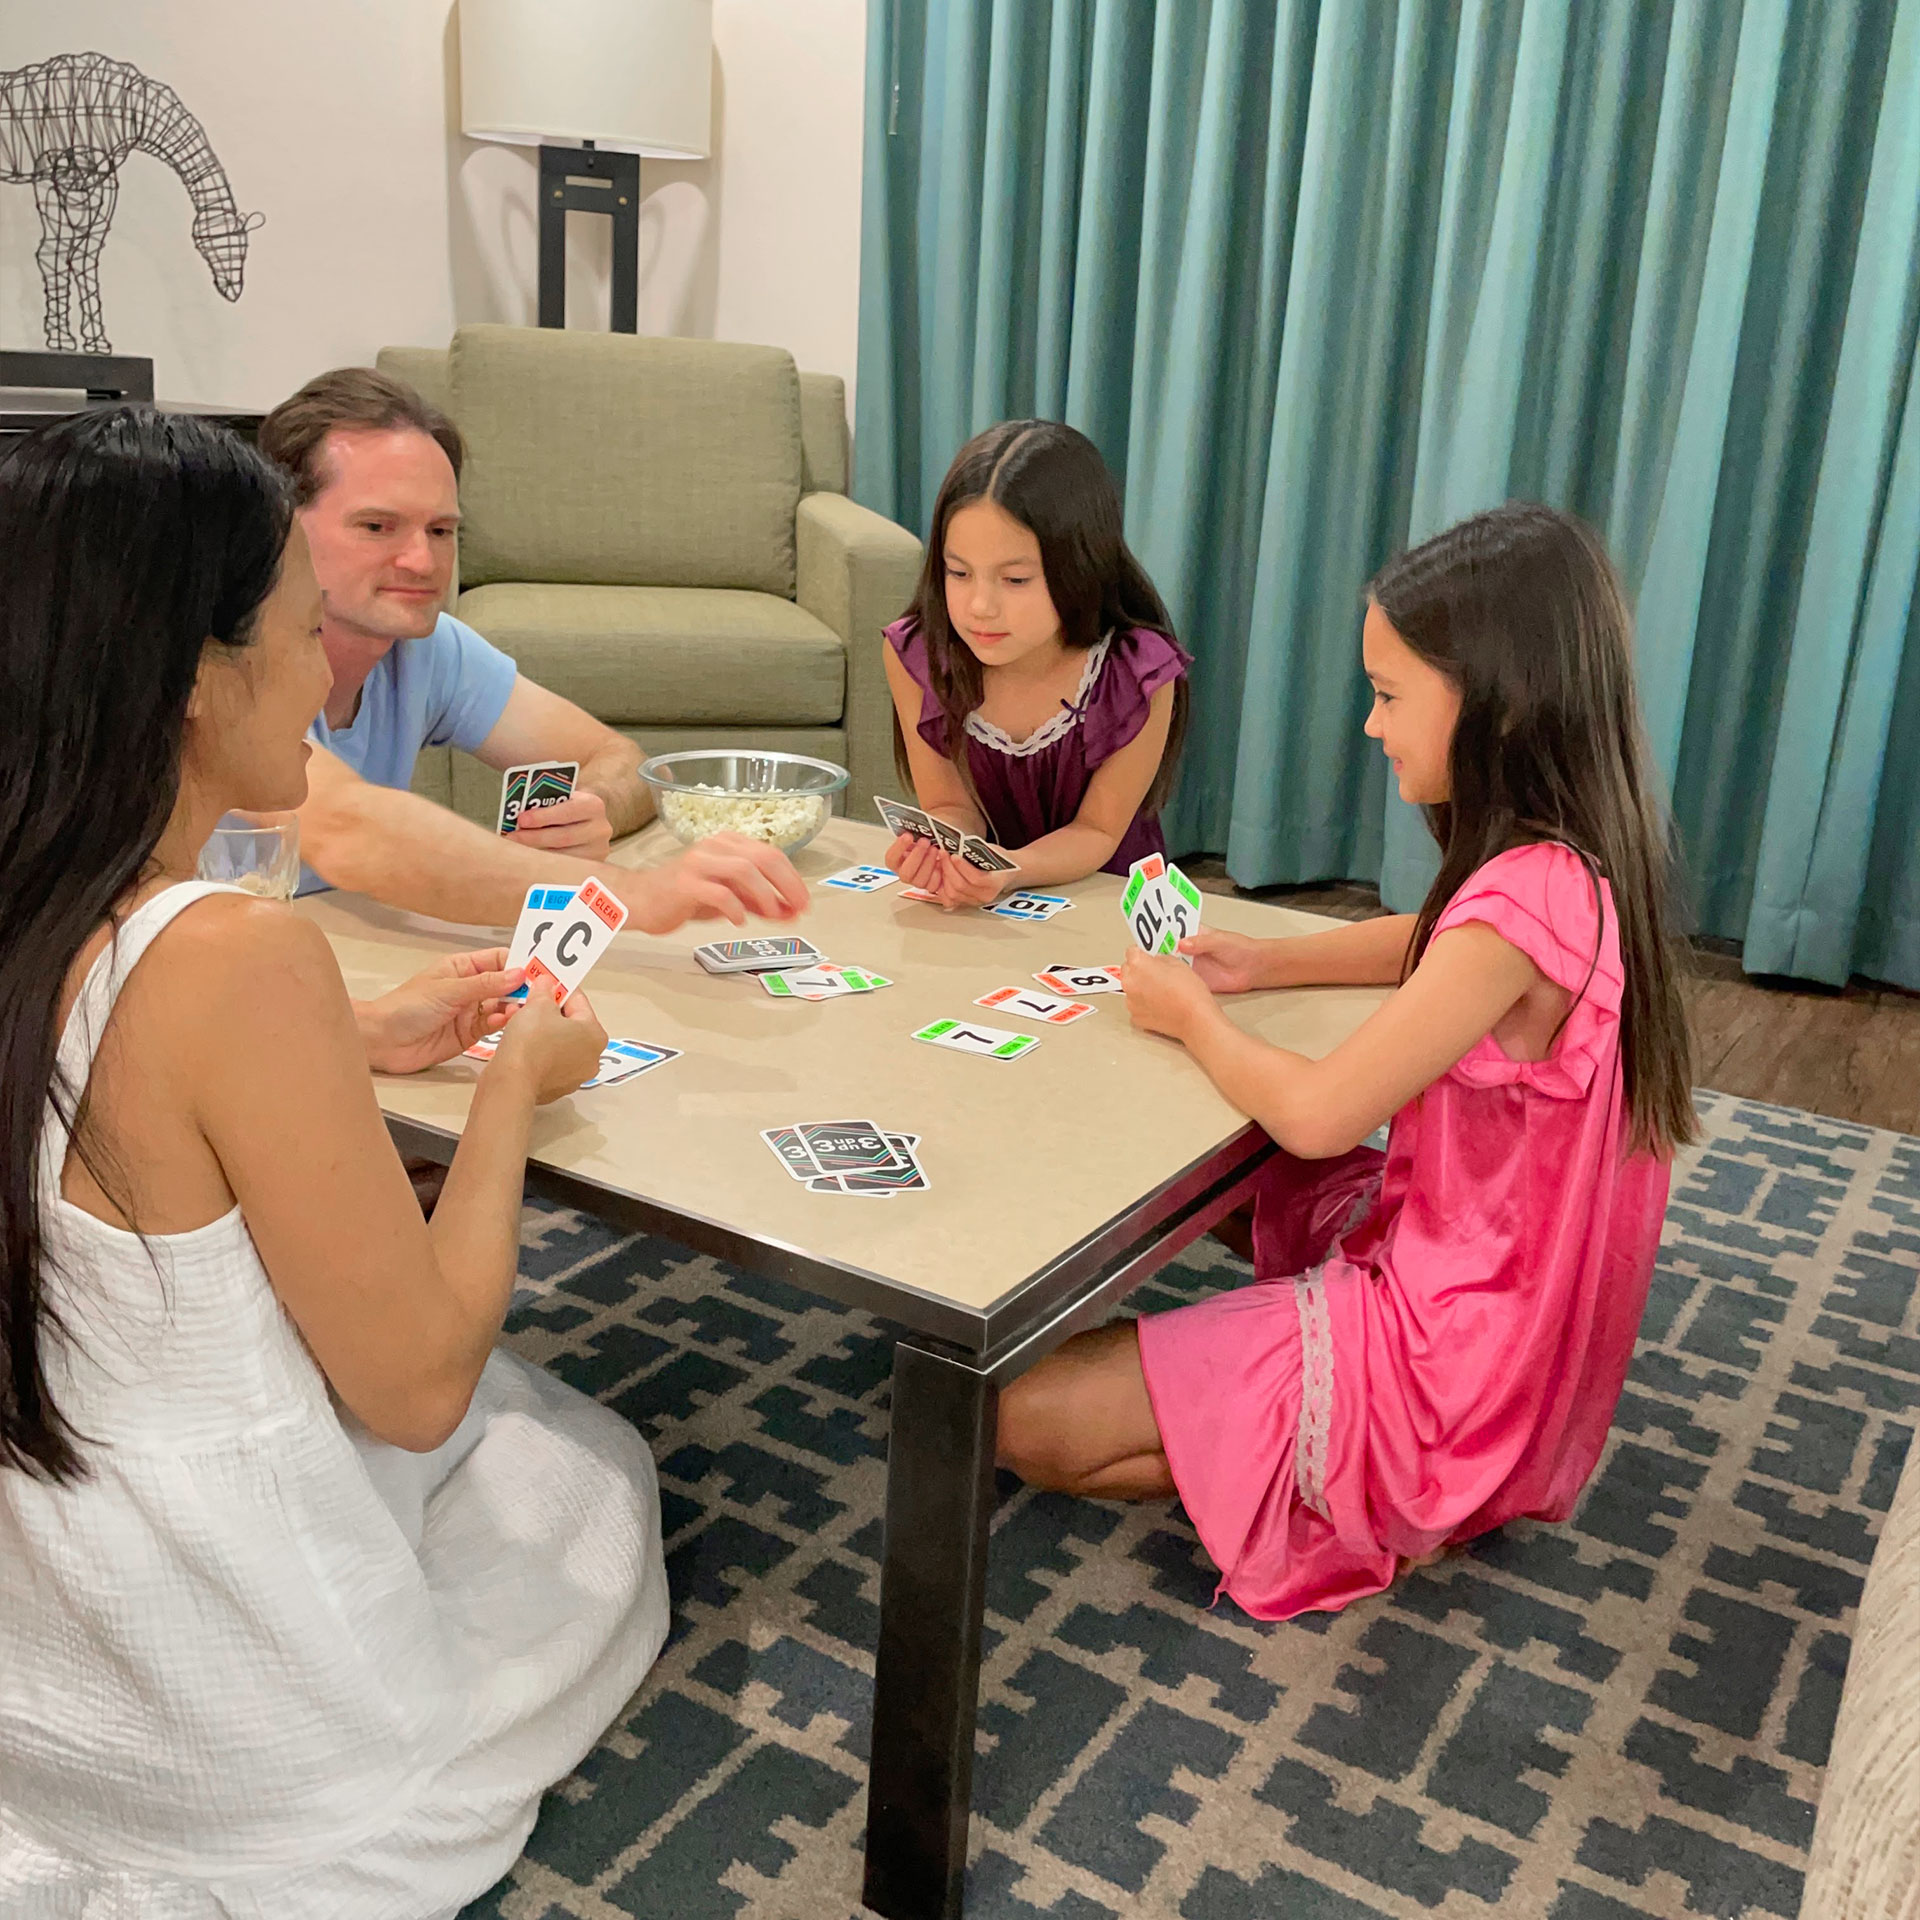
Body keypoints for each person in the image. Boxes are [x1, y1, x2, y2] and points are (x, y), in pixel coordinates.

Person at [0, 407, 670, 1914]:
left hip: (40, 1624)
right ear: (189, 679)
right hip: (231, 1698)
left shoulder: (49, 896)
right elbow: (417, 1384)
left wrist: (347, 1041)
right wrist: (519, 1085)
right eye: (304, 635)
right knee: (588, 1485)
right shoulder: (238, 950)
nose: (322, 685)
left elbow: (104, 1082)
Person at [996, 502, 1695, 1620]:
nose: (1372, 728)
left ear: (1499, 704)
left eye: (1387, 696)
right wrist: (1263, 964)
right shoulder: (1572, 864)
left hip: (1449, 1356)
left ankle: (1360, 1480)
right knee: (1227, 1178)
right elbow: (1438, 943)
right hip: (1487, 1276)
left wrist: (1192, 1012)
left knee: (1018, 1416)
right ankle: (1300, 1442)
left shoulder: (1520, 903)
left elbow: (1321, 1115)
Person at [258, 366, 806, 932]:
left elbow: (622, 760)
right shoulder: (217, 658)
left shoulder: (427, 649)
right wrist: (635, 896)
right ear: (279, 524)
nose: (423, 563)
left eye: (441, 531)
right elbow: (352, 833)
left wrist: (590, 809)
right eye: (377, 526)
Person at [880, 420, 1191, 907]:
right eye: (958, 572)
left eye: (1016, 579)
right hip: (988, 909)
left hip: (1103, 903)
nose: (980, 605)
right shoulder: (918, 654)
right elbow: (948, 805)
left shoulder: (1138, 672)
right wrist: (947, 850)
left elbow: (1097, 832)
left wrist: (1005, 872)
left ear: (1080, 567)